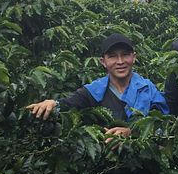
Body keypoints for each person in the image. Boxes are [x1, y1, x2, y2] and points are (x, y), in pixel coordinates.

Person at [26, 33, 169, 139]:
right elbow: (69, 104)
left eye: (125, 55)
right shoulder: (94, 90)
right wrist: (52, 104)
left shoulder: (148, 89)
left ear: (134, 57)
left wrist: (132, 133)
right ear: (103, 62)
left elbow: (162, 126)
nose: (120, 61)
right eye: (112, 56)